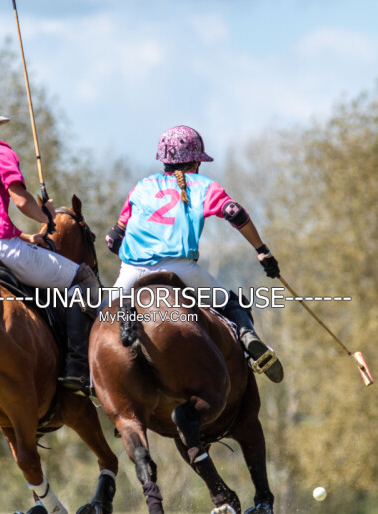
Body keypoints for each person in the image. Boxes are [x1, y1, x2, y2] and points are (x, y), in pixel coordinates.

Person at [105, 125, 283, 383]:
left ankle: (83, 371)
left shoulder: (141, 187)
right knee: (232, 303)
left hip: (132, 272)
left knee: (100, 319)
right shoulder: (203, 186)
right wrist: (261, 250)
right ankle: (250, 342)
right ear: (196, 162)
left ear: (163, 160)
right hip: (181, 270)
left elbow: (112, 240)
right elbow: (234, 212)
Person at [0, 95, 97, 394]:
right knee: (82, 279)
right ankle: (78, 365)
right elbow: (20, 201)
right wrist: (47, 215)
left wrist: (27, 237)